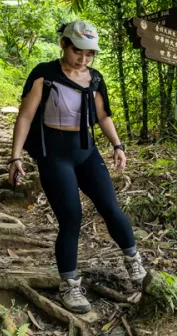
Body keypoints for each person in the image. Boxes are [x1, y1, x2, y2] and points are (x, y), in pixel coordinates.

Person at [8, 20, 146, 313]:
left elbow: (104, 116)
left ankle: (135, 264)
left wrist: (118, 146)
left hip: (86, 152)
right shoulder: (44, 75)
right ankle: (69, 286)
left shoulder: (94, 79)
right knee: (71, 217)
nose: (83, 58)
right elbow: (25, 117)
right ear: (64, 45)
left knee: (111, 208)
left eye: (89, 53)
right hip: (55, 155)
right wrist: (16, 156)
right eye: (77, 51)